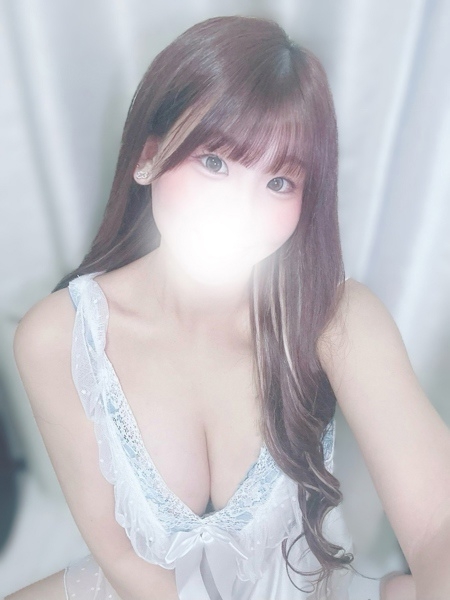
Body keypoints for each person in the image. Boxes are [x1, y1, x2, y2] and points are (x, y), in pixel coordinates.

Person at [7, 14, 450, 600]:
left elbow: (439, 521)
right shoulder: (57, 337)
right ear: (147, 158)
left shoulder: (335, 318)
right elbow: (120, 555)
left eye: (279, 182)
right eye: (214, 162)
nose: (241, 212)